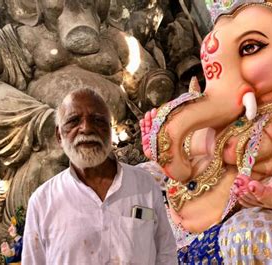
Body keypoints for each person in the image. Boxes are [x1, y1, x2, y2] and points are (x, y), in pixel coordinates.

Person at [22, 88, 177, 264]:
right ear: (59, 135)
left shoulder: (145, 185)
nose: (86, 128)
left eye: (97, 120)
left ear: (110, 131)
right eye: (73, 121)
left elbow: (166, 254)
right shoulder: (42, 202)